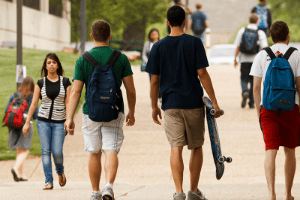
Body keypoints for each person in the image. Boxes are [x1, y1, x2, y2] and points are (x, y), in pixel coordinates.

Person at [146, 6, 223, 200]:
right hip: (193, 103)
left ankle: (179, 192)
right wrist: (214, 102)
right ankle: (193, 190)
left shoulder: (158, 47)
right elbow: (202, 74)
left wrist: (154, 106)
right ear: (185, 22)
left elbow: (154, 80)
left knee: (175, 147)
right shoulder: (194, 43)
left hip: (170, 104)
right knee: (196, 147)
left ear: (167, 23)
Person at [65, 20, 136, 200]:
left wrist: (69, 117)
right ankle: (108, 186)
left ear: (92, 35)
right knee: (110, 149)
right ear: (109, 36)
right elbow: (130, 89)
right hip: (114, 110)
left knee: (94, 152)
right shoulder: (120, 58)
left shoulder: (83, 59)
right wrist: (131, 112)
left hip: (91, 112)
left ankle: (95, 192)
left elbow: (76, 91)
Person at [250, 21, 300, 200]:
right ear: (288, 36)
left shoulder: (262, 55)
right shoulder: (296, 54)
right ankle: (288, 193)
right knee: (290, 150)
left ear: (271, 37)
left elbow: (256, 87)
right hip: (291, 108)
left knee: (270, 150)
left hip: (268, 109)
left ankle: (271, 193)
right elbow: (299, 86)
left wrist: (259, 111)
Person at [23, 53, 71, 190]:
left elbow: (68, 103)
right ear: (45, 65)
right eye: (49, 62)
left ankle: (60, 172)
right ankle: (48, 181)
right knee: (45, 151)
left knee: (57, 151)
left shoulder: (65, 82)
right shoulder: (40, 83)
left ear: (58, 65)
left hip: (59, 122)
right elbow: (33, 104)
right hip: (43, 121)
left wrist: (69, 120)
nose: (51, 65)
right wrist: (27, 122)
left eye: (54, 62)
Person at [4, 77, 36, 182]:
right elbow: (35, 111)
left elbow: (6, 109)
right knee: (26, 150)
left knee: (19, 149)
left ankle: (20, 175)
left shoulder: (14, 95)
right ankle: (15, 168)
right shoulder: (31, 96)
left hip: (13, 124)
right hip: (25, 124)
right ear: (32, 86)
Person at [234, 14, 268, 109]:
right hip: (256, 60)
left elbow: (237, 46)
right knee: (254, 81)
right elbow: (264, 47)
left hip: (244, 59)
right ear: (257, 21)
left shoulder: (242, 31)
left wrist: (235, 58)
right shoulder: (260, 32)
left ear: (249, 20)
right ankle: (252, 102)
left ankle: (245, 91)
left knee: (243, 78)